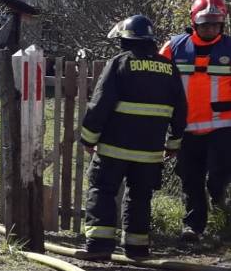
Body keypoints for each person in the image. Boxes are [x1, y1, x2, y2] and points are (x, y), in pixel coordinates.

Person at [79, 15, 187, 259]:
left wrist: (88, 138)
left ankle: (99, 246)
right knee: (140, 197)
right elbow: (181, 109)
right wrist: (174, 143)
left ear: (126, 40)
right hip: (149, 153)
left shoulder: (119, 64)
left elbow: (100, 105)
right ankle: (137, 249)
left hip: (113, 149)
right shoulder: (169, 68)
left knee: (103, 190)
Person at [160, 0, 231, 242]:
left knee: (217, 178)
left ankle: (223, 211)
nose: (211, 28)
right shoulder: (174, 47)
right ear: (194, 21)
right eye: (205, 23)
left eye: (215, 23)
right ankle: (193, 226)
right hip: (186, 128)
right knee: (190, 179)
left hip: (223, 126)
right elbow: (157, 77)